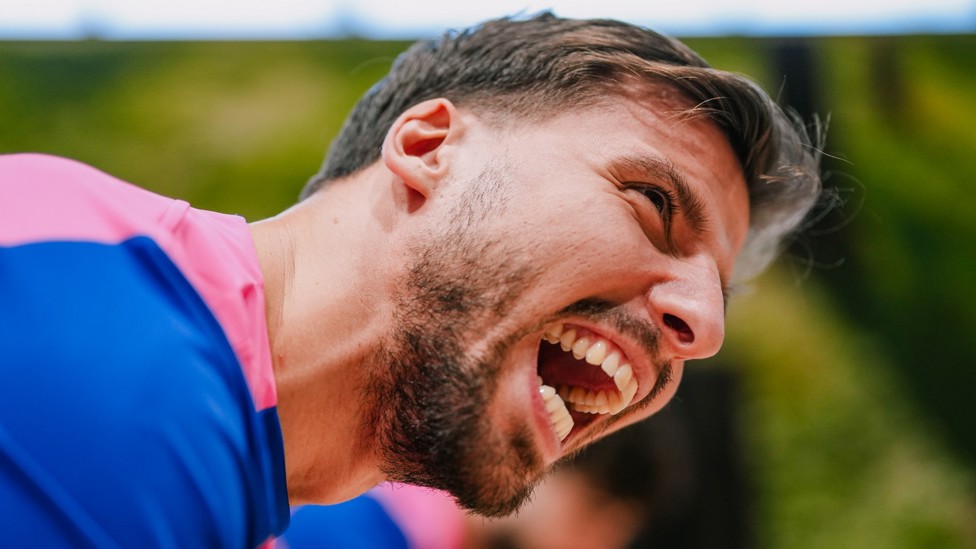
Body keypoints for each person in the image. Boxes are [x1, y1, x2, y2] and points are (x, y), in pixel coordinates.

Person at [0, 11, 821, 547]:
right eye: (649, 200)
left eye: (715, 289)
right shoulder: (72, 299)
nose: (703, 327)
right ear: (430, 149)